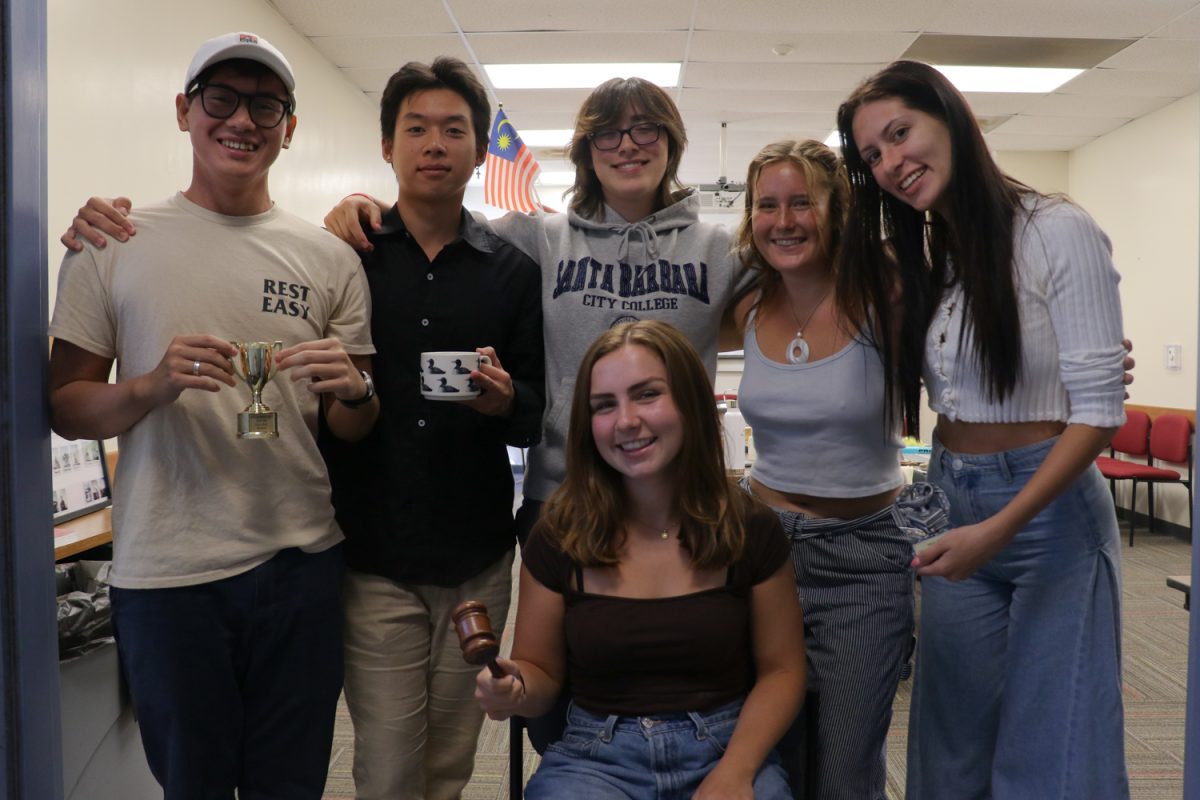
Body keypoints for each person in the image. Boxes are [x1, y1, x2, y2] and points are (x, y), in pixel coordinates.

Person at [47, 32, 377, 799]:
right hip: (168, 571)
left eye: (266, 104)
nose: (243, 120)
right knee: (191, 784)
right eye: (220, 99)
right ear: (183, 112)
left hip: (301, 563)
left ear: (289, 126)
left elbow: (350, 428)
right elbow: (67, 406)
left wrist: (357, 394)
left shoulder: (329, 260)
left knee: (290, 784)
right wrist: (151, 386)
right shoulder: (112, 241)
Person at [837, 60, 1130, 798]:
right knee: (948, 744)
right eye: (873, 156)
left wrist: (998, 528)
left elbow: (1098, 414)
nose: (891, 163)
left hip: (1046, 513)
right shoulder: (931, 259)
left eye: (900, 134)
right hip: (952, 498)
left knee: (1051, 745)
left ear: (951, 117)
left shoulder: (1057, 229)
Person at [314, 57, 544, 800]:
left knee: (448, 764)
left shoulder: (510, 271)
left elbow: (537, 412)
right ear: (388, 147)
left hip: (476, 557)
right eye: (416, 128)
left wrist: (505, 401)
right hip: (374, 556)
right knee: (386, 768)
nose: (434, 144)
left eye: (454, 129)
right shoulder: (347, 255)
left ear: (481, 150)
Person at [474, 320, 805, 800]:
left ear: (690, 402)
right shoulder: (559, 534)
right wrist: (516, 687)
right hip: (597, 759)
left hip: (728, 745)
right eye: (604, 405)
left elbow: (782, 670)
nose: (625, 421)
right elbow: (540, 674)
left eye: (647, 394)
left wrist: (736, 772)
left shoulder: (748, 527)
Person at [722, 138, 939, 799]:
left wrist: (1076, 356)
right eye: (767, 205)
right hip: (762, 552)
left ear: (838, 211)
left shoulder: (888, 296)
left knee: (845, 771)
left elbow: (975, 347)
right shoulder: (747, 306)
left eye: (802, 203)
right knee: (770, 761)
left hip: (865, 556)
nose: (783, 220)